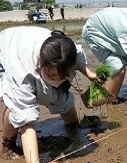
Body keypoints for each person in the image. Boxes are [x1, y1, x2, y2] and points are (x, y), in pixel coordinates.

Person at [0, 26, 98, 163]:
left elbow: (79, 56)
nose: (58, 80)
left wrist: (90, 74)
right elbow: (26, 121)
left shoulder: (66, 48)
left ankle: (73, 127)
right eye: (53, 76)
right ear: (41, 63)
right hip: (6, 51)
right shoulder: (22, 72)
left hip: (30, 43)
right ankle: (8, 146)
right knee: (15, 107)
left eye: (64, 75)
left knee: (61, 97)